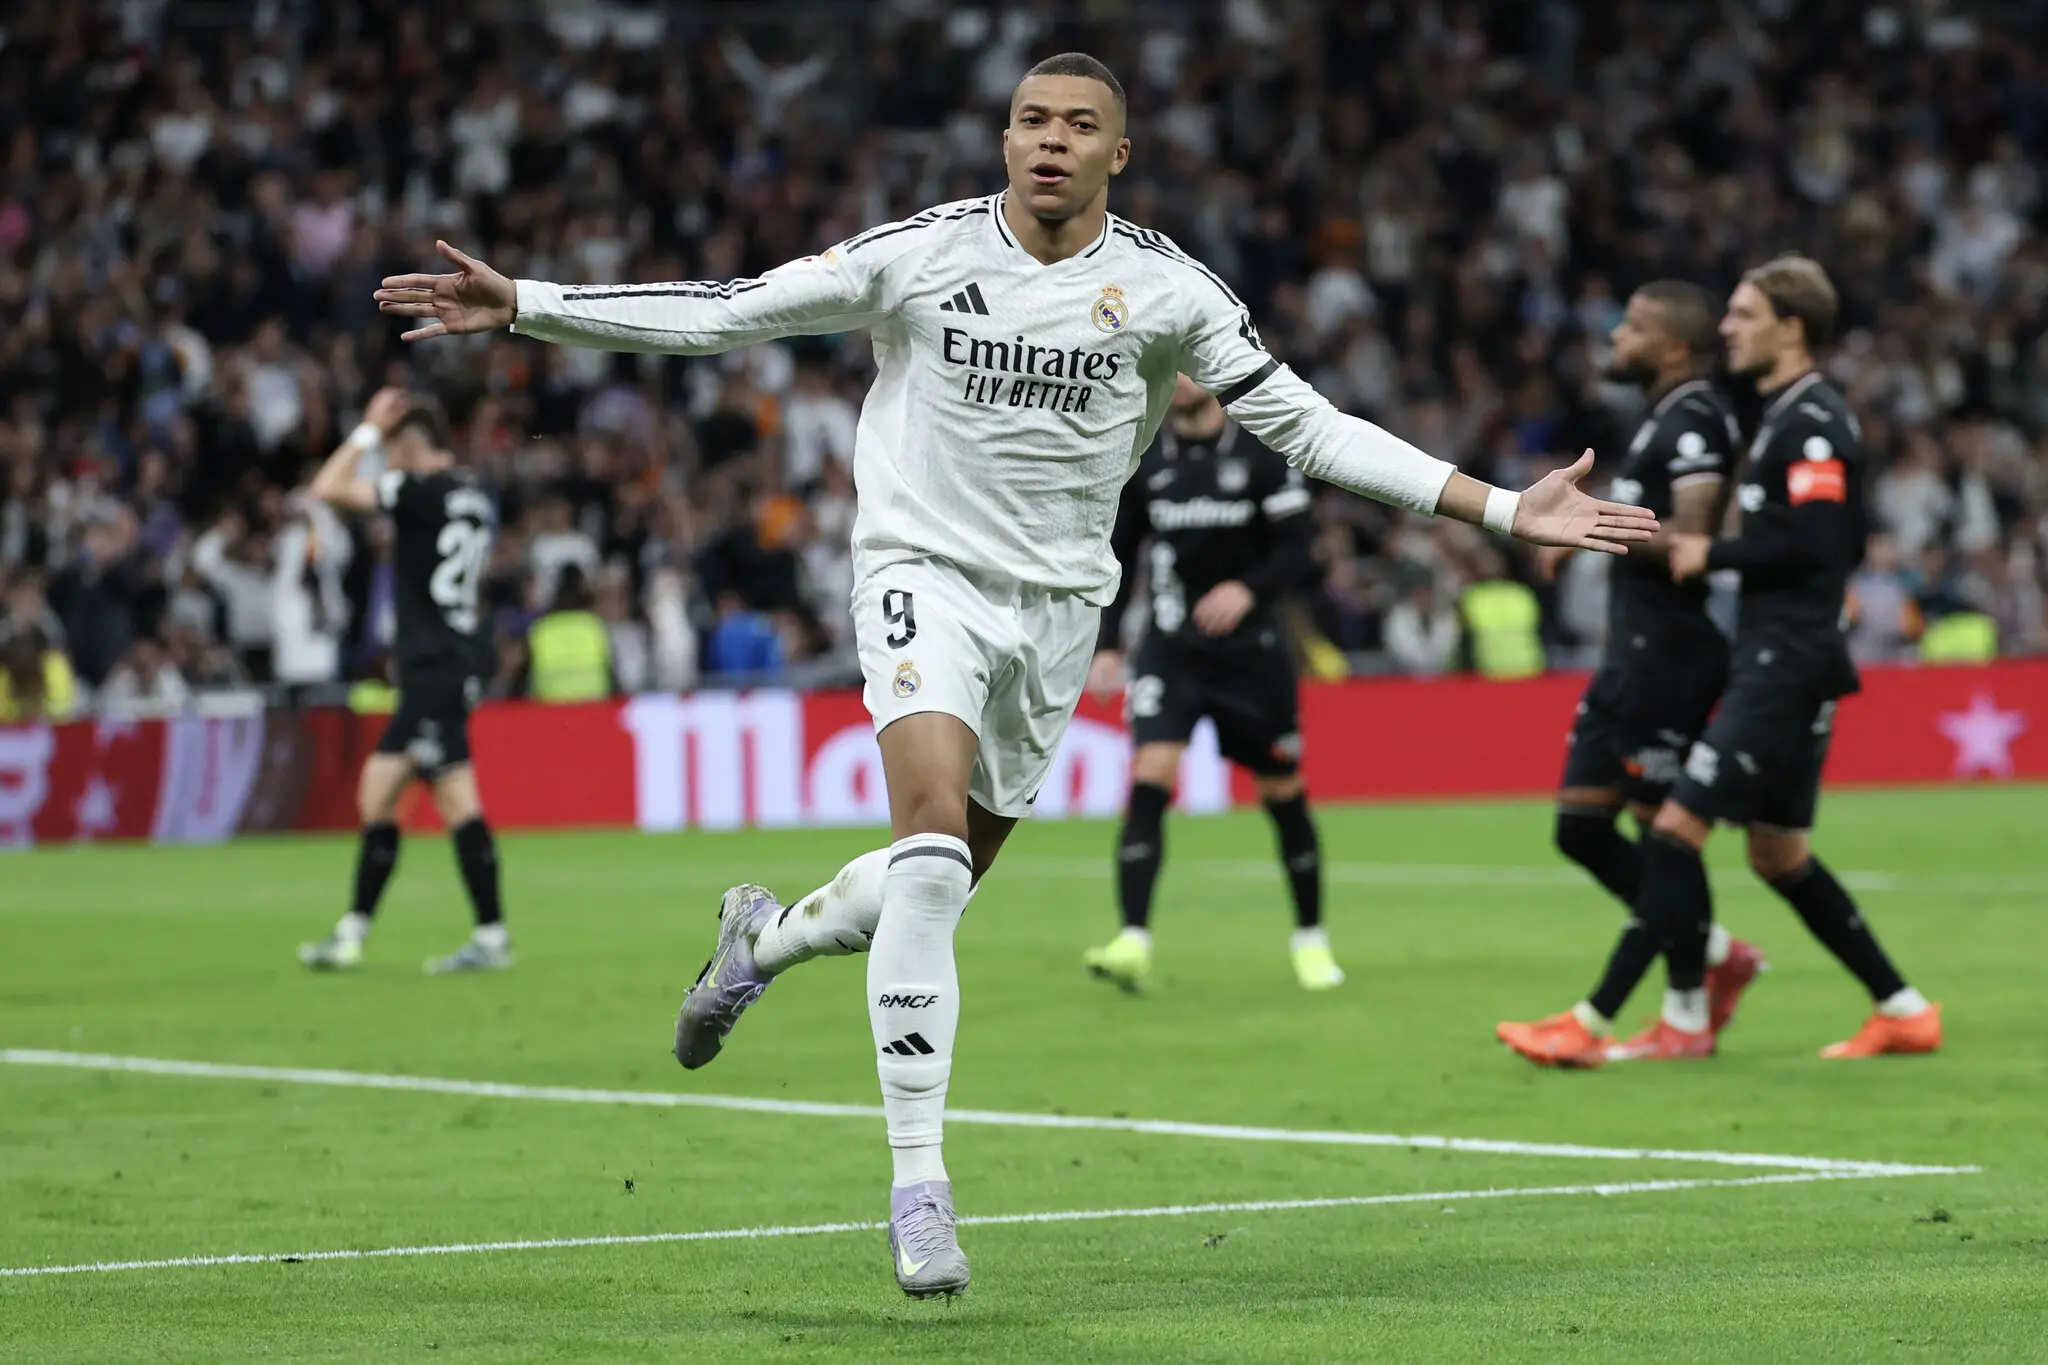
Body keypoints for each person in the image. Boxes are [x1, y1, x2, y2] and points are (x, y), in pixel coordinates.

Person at [374, 53, 1653, 1298]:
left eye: (1076, 124)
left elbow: (1303, 428)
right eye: (1029, 119)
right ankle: (919, 1192)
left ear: (1116, 151)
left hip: (1058, 615)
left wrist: (1498, 509)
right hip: (919, 574)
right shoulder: (920, 253)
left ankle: (761, 940)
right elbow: (728, 310)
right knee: (928, 852)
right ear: (1004, 140)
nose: (1049, 140)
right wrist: (531, 304)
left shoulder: (1167, 291)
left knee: (935, 889)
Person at [1641, 256, 1940, 1061]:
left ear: (1791, 327)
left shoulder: (1812, 420)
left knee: (1673, 831)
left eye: (1743, 315)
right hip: (1784, 653)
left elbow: (1817, 541)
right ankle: (1904, 1008)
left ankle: (1683, 1021)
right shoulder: (1782, 412)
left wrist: (1714, 552)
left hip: (1787, 657)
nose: (1727, 329)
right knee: (1777, 853)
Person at [1496, 281, 1764, 1068]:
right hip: (1631, 658)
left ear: (1674, 347)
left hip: (1673, 661)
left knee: (1663, 839)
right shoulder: (1659, 421)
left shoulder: (1695, 418)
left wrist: (1591, 524)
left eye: (1635, 326)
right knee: (1579, 827)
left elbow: (1693, 536)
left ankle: (1672, 1016)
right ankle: (1714, 950)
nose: (1616, 334)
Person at [1081, 374, 1336, 992]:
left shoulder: (1262, 457)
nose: (1178, 380)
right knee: (1150, 777)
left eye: (1188, 367)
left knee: (1282, 790)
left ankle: (1310, 940)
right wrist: (1108, 646)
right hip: (1173, 651)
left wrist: (1247, 589)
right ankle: (1133, 939)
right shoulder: (1145, 463)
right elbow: (1118, 555)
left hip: (1253, 655)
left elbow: (1302, 553)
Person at [296, 387, 512, 975]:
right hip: (454, 659)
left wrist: (366, 429)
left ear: (409, 445)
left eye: (390, 451)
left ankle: (363, 936)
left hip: (434, 668)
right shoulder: (473, 492)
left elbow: (328, 488)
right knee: (419, 795)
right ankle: (368, 932)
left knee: (404, 795)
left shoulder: (418, 489)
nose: (384, 465)